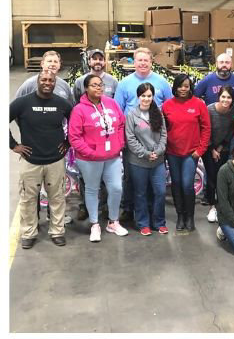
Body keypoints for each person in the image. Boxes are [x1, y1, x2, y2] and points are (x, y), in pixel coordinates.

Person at [10, 69, 73, 248]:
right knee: (28, 199)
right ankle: (29, 233)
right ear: (37, 81)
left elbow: (76, 123)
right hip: (30, 161)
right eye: (43, 79)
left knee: (57, 197)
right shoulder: (22, 103)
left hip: (55, 160)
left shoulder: (62, 104)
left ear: (55, 83)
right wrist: (13, 145)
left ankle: (57, 231)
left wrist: (68, 142)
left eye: (50, 80)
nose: (47, 83)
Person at [114, 48, 172, 223]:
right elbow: (118, 110)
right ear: (134, 62)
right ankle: (128, 207)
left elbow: (169, 108)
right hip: (132, 138)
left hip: (154, 138)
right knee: (131, 176)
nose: (142, 63)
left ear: (151, 61)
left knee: (154, 179)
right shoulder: (124, 83)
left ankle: (150, 211)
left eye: (146, 60)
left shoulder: (162, 82)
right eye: (139, 60)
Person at [68, 74, 127, 242]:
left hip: (112, 156)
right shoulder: (79, 109)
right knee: (93, 189)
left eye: (100, 85)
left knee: (116, 188)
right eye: (94, 85)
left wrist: (120, 143)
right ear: (86, 88)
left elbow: (121, 123)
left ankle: (113, 222)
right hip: (89, 159)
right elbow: (74, 137)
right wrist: (90, 153)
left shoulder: (111, 103)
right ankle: (94, 224)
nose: (98, 88)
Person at [162, 73, 211, 233]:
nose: (183, 89)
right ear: (175, 87)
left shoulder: (199, 104)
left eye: (186, 86)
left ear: (190, 88)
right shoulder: (167, 105)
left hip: (191, 153)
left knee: (186, 185)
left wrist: (200, 150)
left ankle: (190, 216)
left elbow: (206, 128)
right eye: (180, 86)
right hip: (172, 152)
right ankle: (180, 216)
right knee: (175, 185)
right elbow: (163, 129)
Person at [123, 83, 168, 236]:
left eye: (149, 96)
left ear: (153, 97)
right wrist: (145, 153)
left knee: (160, 192)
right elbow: (130, 139)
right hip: (138, 162)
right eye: (143, 96)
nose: (146, 99)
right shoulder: (131, 115)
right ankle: (143, 223)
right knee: (140, 193)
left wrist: (158, 151)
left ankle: (159, 222)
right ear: (138, 97)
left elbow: (164, 135)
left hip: (158, 161)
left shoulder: (158, 113)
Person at [204, 87, 234, 223]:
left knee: (224, 178)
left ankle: (224, 207)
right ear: (219, 96)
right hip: (209, 147)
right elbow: (206, 129)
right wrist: (212, 149)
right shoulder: (209, 109)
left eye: (229, 97)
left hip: (224, 148)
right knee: (212, 178)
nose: (226, 100)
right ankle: (212, 207)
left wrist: (220, 148)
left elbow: (231, 132)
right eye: (223, 97)